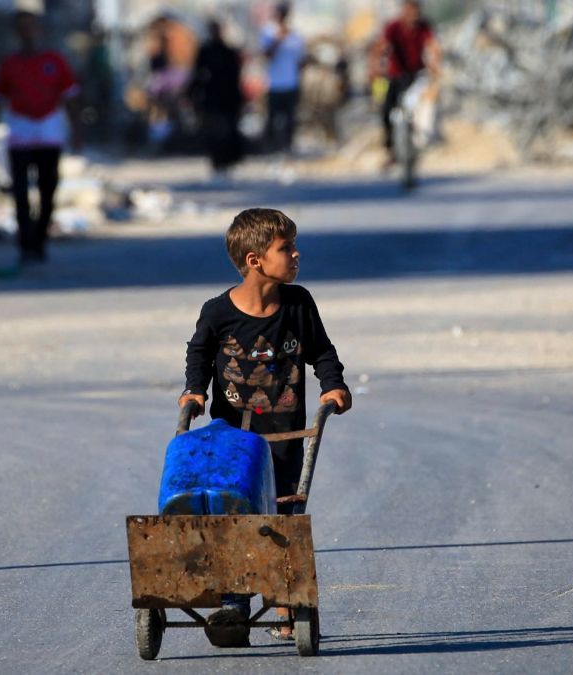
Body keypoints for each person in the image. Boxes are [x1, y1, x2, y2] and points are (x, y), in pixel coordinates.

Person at [179, 207, 351, 646]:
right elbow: (198, 354)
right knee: (236, 513)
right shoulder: (217, 312)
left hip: (288, 434)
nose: (296, 255)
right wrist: (194, 390)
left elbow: (322, 351)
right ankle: (234, 605)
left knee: (284, 516)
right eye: (285, 249)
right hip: (234, 438)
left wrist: (333, 386)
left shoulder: (298, 304)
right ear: (255, 260)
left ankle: (285, 602)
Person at [0, 10, 80, 265]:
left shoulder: (54, 61)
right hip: (20, 131)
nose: (28, 33)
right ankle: (26, 244)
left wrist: (77, 130)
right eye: (22, 28)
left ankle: (41, 239)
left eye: (31, 27)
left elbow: (70, 99)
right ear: (16, 33)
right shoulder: (9, 65)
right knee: (21, 192)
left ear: (39, 30)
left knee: (48, 189)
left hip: (49, 131)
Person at [368, 0, 440, 167]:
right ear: (404, 9)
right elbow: (381, 47)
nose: (413, 13)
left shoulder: (424, 27)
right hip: (395, 76)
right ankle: (391, 148)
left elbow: (433, 47)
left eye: (416, 8)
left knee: (425, 107)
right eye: (410, 8)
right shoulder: (393, 27)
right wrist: (375, 68)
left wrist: (435, 66)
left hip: (416, 76)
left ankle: (421, 141)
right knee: (386, 109)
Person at [188, 19, 244, 181]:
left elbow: (236, 78)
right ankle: (216, 163)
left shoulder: (229, 52)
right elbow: (198, 75)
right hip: (211, 100)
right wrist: (191, 95)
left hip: (229, 99)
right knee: (213, 132)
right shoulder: (205, 51)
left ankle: (228, 163)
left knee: (228, 133)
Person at [260, 3, 303, 157]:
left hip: (291, 83)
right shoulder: (268, 32)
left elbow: (299, 61)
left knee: (290, 119)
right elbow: (266, 55)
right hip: (275, 84)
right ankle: (271, 148)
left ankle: (287, 148)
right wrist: (278, 39)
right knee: (273, 118)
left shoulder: (295, 35)